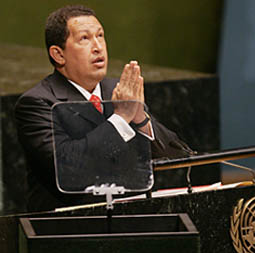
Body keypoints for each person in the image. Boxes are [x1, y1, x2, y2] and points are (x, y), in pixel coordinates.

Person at [14, 5, 193, 211]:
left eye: (101, 36)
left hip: (135, 221)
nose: (98, 46)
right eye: (85, 38)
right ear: (58, 54)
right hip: (69, 229)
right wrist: (120, 118)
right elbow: (67, 167)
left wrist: (140, 119)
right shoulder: (38, 102)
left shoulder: (118, 90)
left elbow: (178, 158)